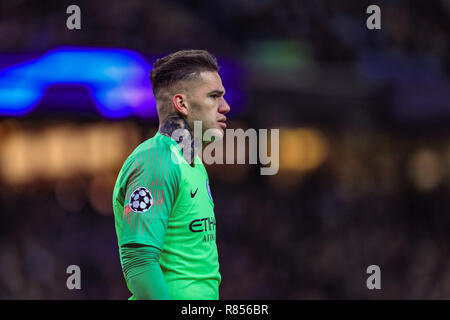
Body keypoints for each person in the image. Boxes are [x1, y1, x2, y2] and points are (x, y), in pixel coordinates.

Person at [112, 49, 230, 299]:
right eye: (214, 96)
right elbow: (139, 261)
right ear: (182, 104)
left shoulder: (193, 163)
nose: (225, 106)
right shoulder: (156, 160)